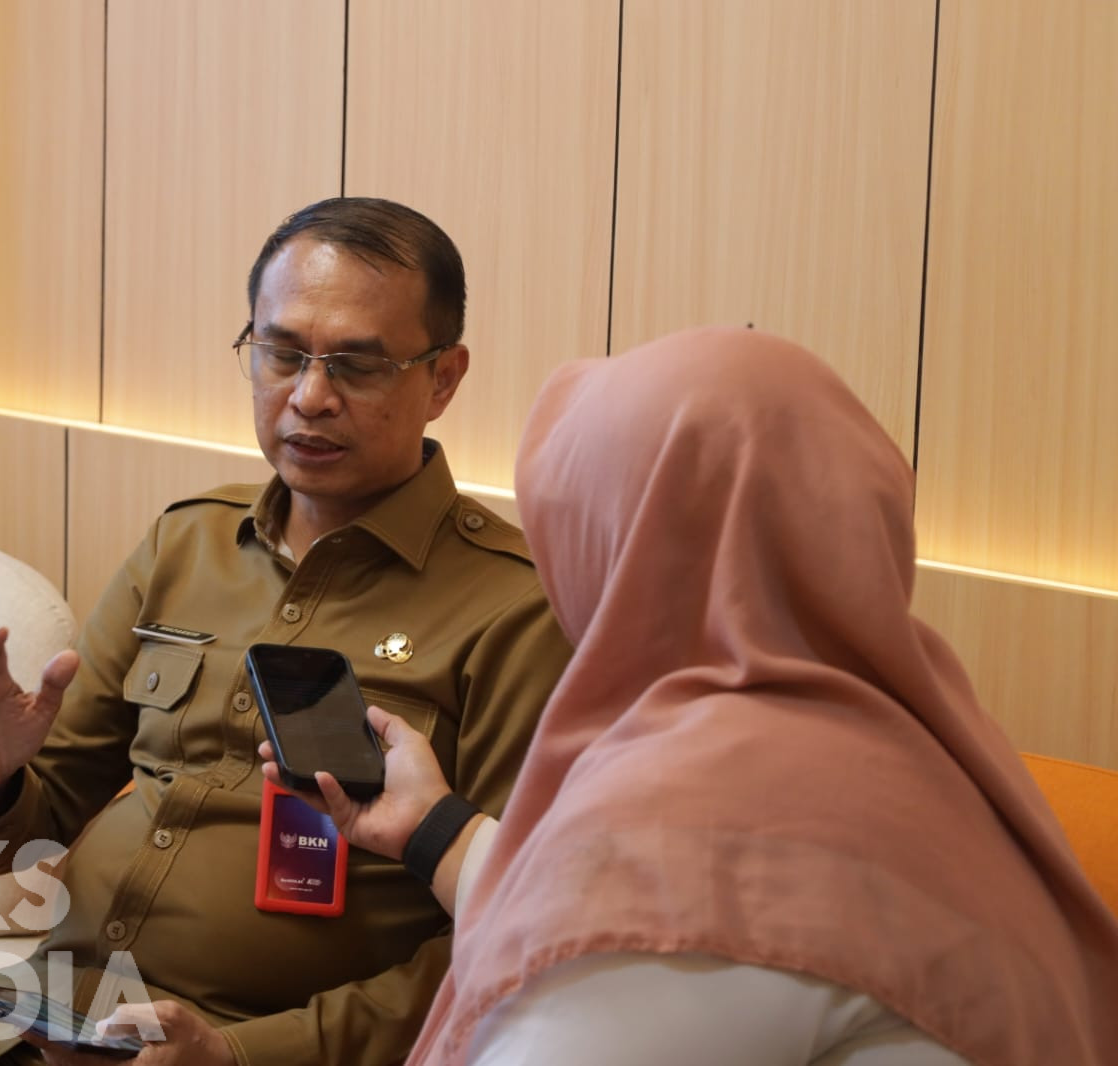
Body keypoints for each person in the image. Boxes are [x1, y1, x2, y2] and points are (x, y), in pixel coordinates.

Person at [0, 198, 573, 1065]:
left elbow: (502, 938)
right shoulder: (186, 542)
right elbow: (30, 832)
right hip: (36, 1009)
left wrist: (242, 1054)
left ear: (444, 378)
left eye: (357, 365)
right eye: (281, 353)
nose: (310, 397)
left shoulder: (514, 610)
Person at [269, 327, 1118, 1066]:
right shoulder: (908, 726)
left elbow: (648, 931)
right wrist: (434, 829)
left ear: (625, 548)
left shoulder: (702, 815)